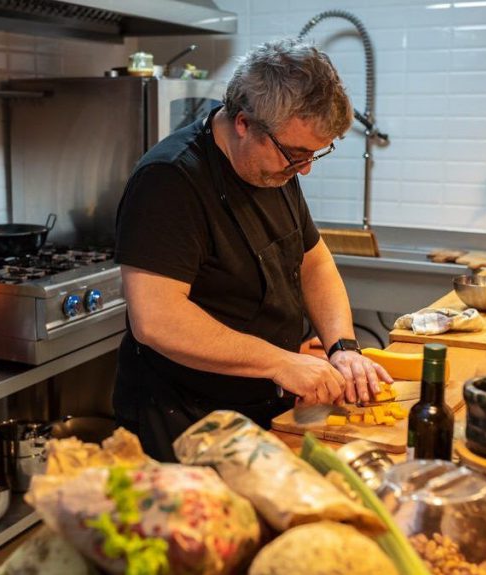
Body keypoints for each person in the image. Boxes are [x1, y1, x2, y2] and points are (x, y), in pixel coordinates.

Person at [114, 38, 391, 461]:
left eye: (316, 154)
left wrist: (342, 348)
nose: (306, 167)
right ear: (244, 122)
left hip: (261, 411)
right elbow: (156, 320)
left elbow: (313, 261)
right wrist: (280, 362)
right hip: (186, 422)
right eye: (297, 153)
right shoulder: (169, 180)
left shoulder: (274, 165)